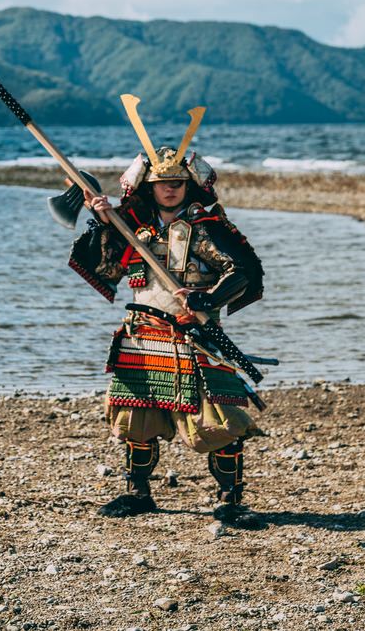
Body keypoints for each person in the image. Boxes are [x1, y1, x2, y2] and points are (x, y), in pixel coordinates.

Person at [67, 106, 266, 523]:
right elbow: (107, 265)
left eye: (176, 182)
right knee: (134, 415)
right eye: (162, 183)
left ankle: (231, 499)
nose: (170, 189)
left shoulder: (207, 226)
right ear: (151, 187)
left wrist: (205, 300)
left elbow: (242, 271)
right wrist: (101, 218)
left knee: (222, 418)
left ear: (188, 184)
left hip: (193, 334)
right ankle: (138, 493)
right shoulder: (132, 227)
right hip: (141, 331)